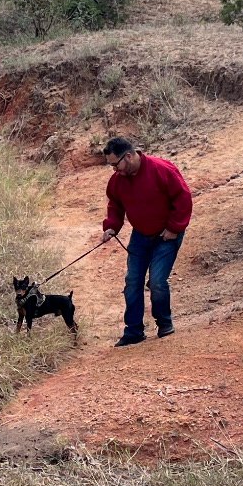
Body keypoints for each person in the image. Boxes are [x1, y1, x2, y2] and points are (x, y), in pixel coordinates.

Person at [100, 136, 193, 347]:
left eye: (116, 164)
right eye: (111, 166)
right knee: (133, 281)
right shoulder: (117, 181)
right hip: (140, 235)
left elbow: (183, 198)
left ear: (129, 156)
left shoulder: (161, 169)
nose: (115, 170)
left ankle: (164, 323)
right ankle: (133, 331)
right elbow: (115, 205)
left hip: (167, 235)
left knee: (158, 281)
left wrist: (174, 228)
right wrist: (112, 226)